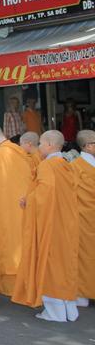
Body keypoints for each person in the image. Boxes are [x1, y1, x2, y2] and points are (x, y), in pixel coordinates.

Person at [13, 130, 80, 322]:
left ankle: (55, 312)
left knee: (51, 263)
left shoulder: (48, 166)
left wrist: (27, 200)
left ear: (50, 145)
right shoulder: (67, 165)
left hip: (51, 224)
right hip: (66, 223)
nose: (39, 147)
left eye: (41, 143)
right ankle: (69, 309)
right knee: (65, 263)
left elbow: (45, 194)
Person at [0, 124, 35, 296]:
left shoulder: (1, 154)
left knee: (9, 244)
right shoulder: (19, 150)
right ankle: (27, 283)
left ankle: (11, 286)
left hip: (6, 208)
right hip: (24, 204)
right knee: (22, 243)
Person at [72, 130, 95, 307]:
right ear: (87, 146)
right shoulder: (76, 167)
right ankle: (83, 293)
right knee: (86, 256)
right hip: (85, 219)